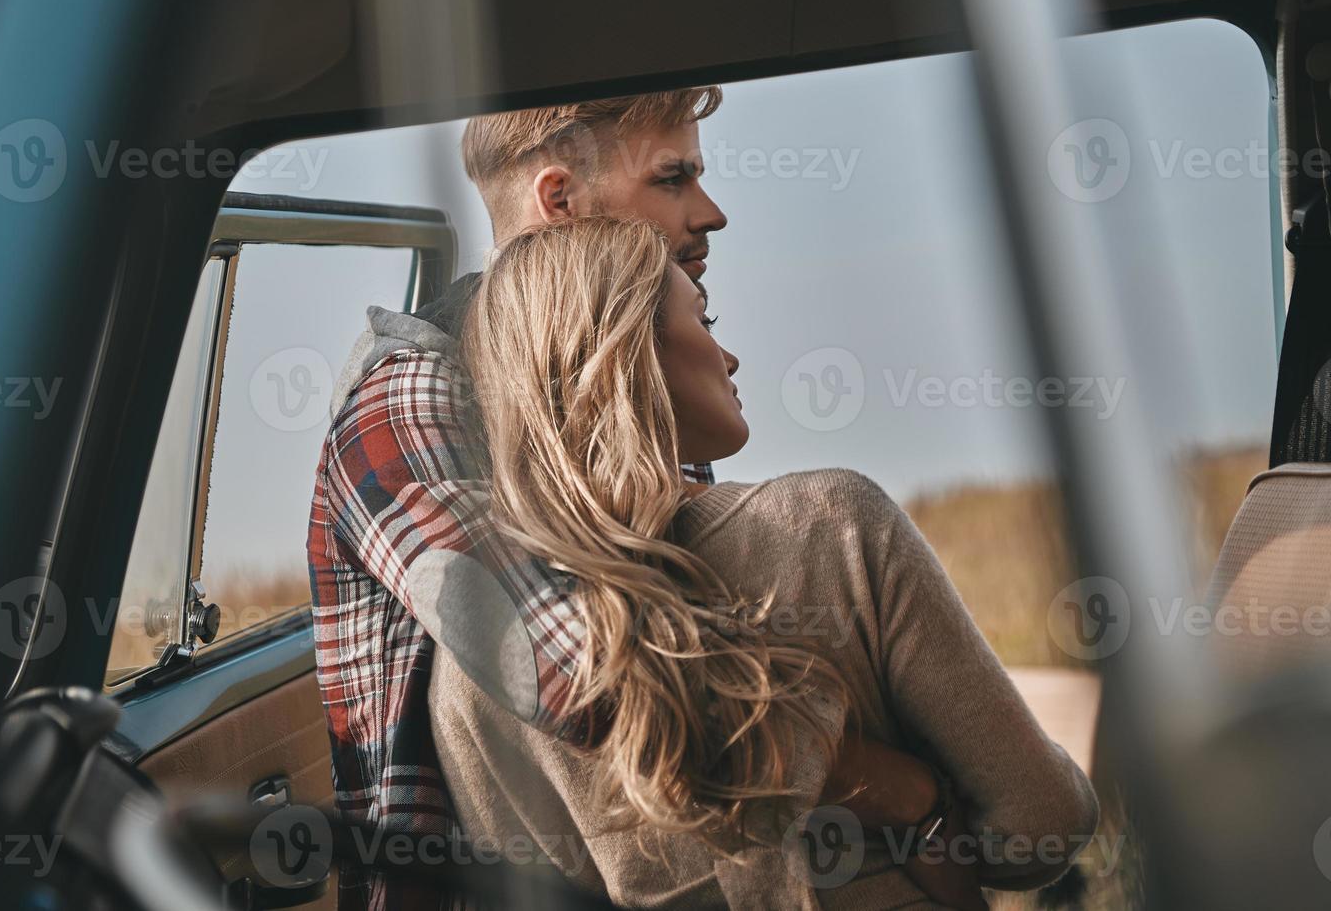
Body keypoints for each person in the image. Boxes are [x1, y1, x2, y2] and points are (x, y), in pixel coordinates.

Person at [434, 216, 1100, 909]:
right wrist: (924, 804)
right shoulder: (834, 524)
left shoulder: (468, 667)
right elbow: (1044, 825)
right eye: (704, 316)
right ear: (631, 347)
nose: (730, 357)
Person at [308, 88, 730, 909]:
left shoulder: (629, 368)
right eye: (673, 180)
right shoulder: (408, 400)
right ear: (560, 201)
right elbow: (574, 674)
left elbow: (710, 601)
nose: (710, 213)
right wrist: (876, 779)